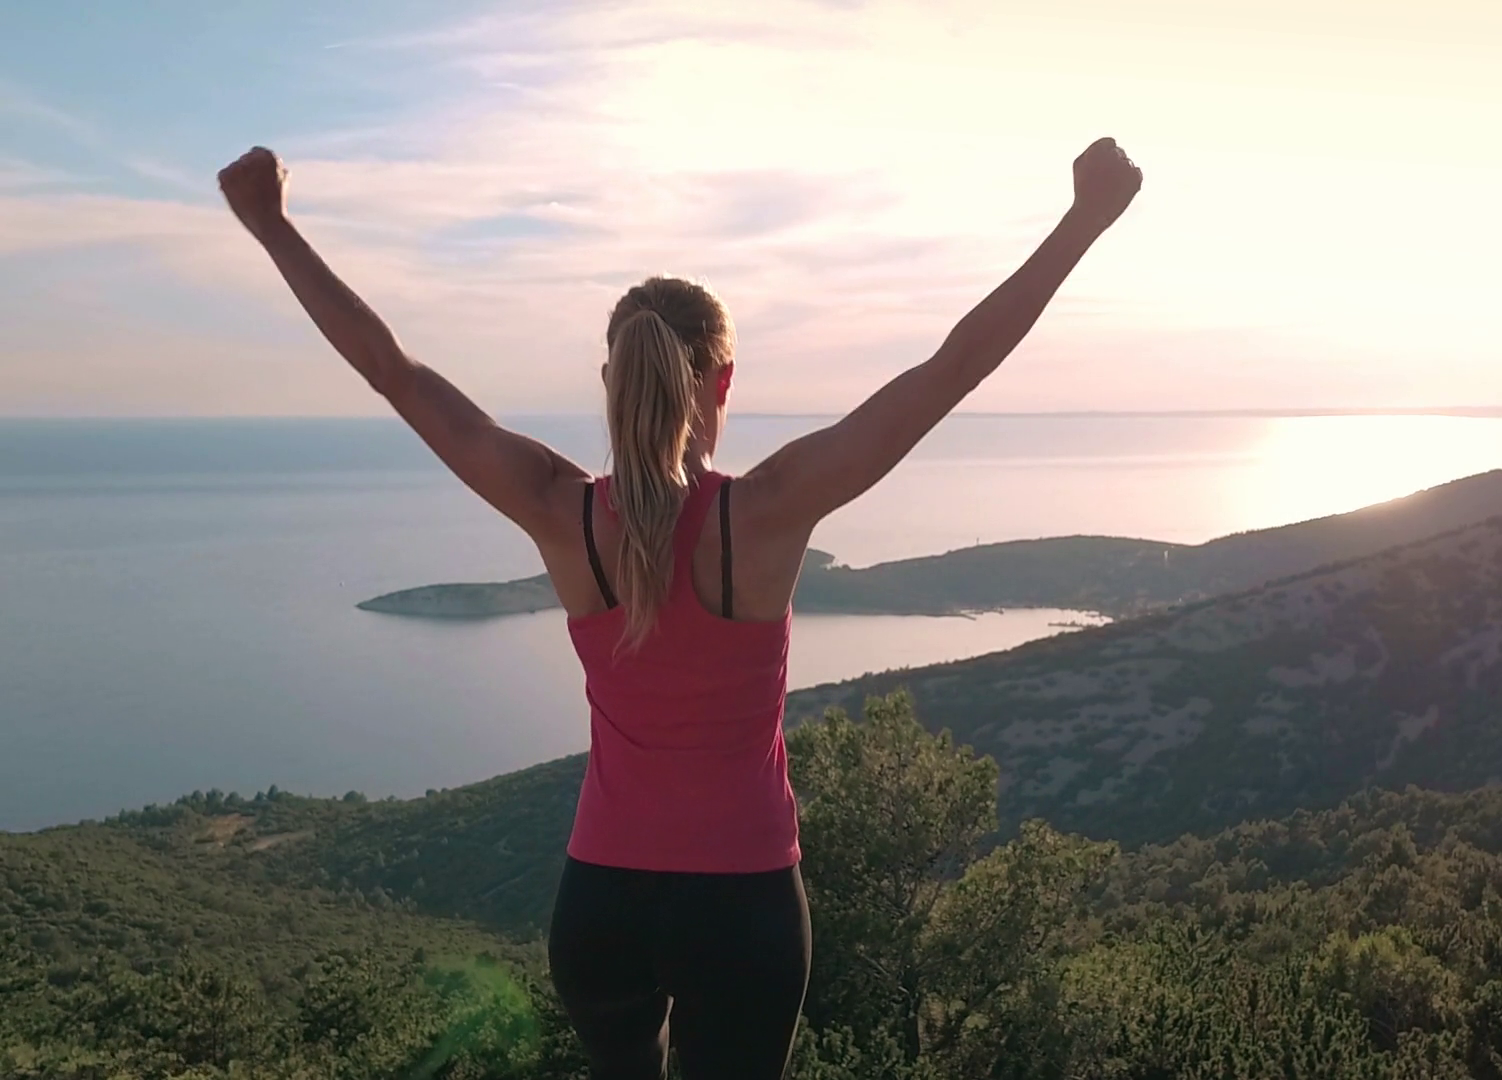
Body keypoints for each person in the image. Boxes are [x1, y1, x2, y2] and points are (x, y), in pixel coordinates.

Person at [216, 135, 1142, 1079]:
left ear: (611, 383)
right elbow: (949, 372)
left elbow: (396, 375)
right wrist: (1083, 221)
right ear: (722, 383)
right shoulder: (768, 512)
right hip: (743, 905)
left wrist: (272, 226)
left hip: (600, 905)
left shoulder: (557, 509)